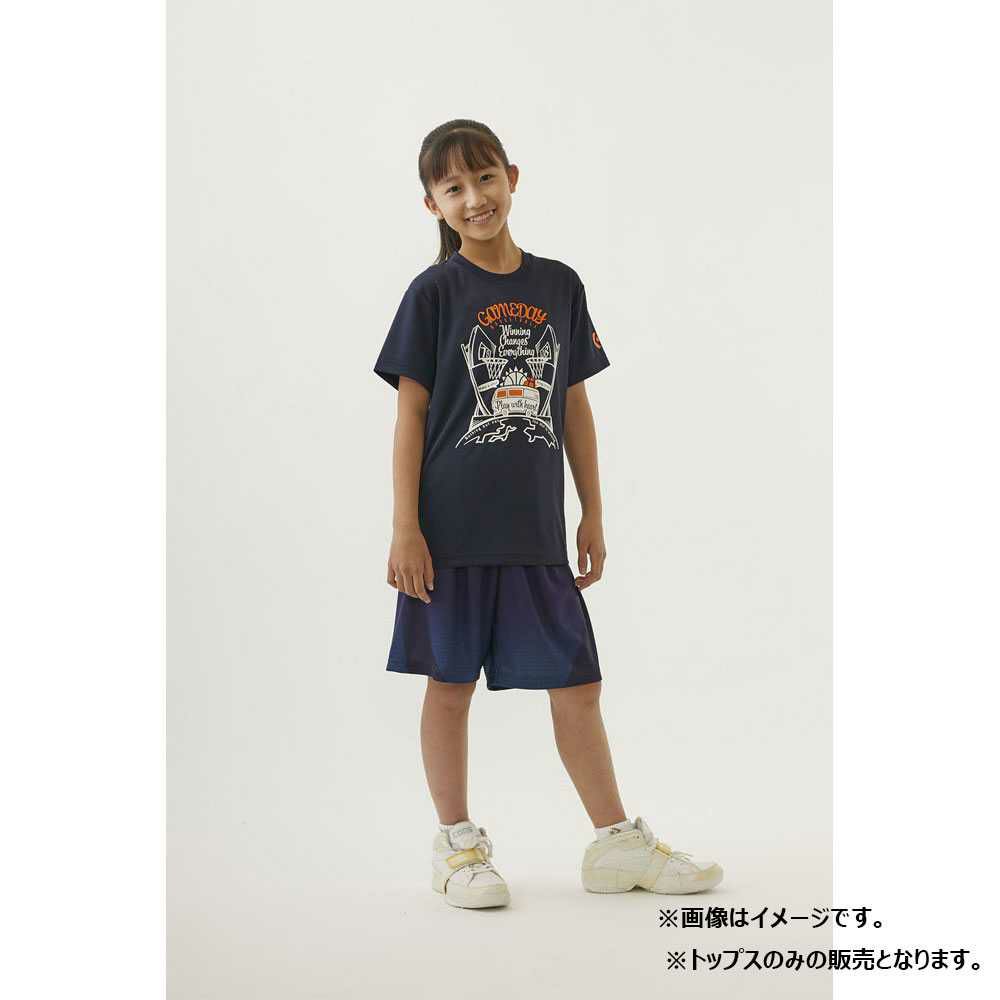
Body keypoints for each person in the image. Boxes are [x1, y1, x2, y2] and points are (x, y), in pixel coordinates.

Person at [373, 119, 723, 908]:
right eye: (454, 188)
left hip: (535, 532)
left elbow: (574, 407)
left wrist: (592, 511)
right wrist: (405, 527)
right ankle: (458, 846)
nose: (475, 198)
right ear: (431, 204)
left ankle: (616, 845)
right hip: (449, 533)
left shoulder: (559, 285)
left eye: (485, 178)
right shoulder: (433, 294)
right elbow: (410, 416)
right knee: (449, 685)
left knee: (578, 683)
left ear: (513, 177)